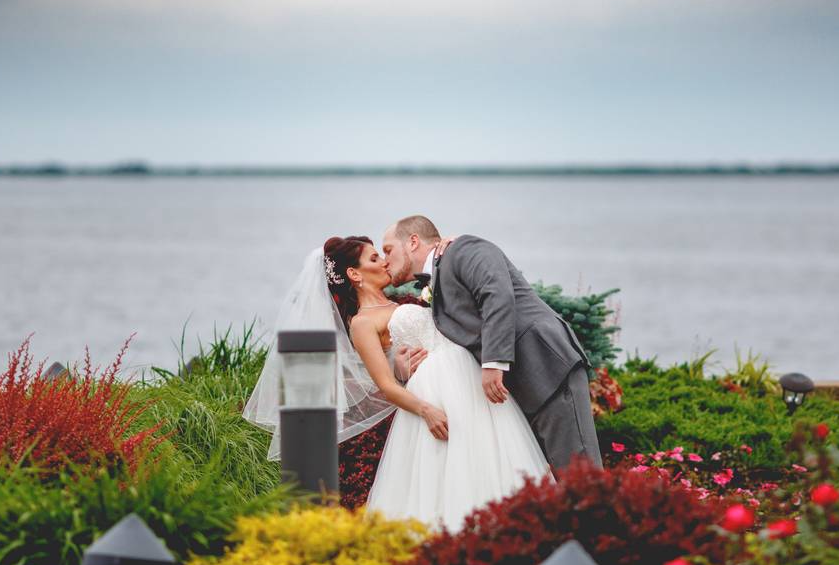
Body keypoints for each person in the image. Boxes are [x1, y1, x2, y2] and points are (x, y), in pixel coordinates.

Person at [244, 235, 551, 532]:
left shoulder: (406, 299)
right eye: (375, 257)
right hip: (434, 394)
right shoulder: (363, 323)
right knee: (449, 477)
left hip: (466, 378)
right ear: (354, 273)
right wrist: (426, 410)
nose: (385, 262)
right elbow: (387, 385)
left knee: (490, 457)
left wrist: (447, 245)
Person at [382, 215, 603, 471]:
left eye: (388, 250)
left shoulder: (464, 249)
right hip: (514, 392)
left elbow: (497, 296)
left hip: (546, 367)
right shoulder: (438, 275)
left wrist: (493, 363)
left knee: (581, 473)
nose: (385, 259)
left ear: (412, 242)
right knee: (550, 481)